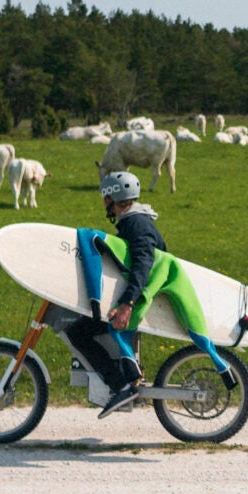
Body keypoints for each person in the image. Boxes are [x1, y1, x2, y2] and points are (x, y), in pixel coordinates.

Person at [66, 171, 218, 416]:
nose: (104, 204)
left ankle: (122, 386)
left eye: (105, 198)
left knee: (78, 332)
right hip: (138, 296)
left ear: (112, 199)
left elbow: (143, 266)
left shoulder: (137, 224)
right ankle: (126, 381)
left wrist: (127, 304)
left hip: (140, 299)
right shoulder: (135, 221)